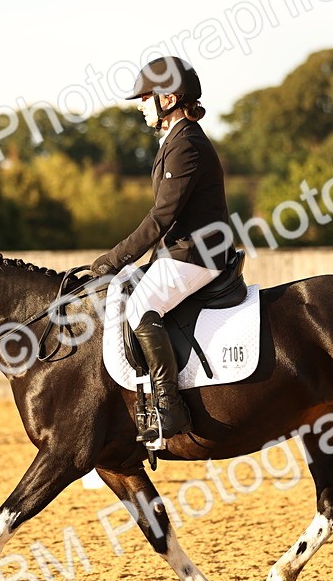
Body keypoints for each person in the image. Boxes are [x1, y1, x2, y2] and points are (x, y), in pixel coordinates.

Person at [92, 56, 235, 441]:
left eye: (145, 98)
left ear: (168, 98)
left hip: (198, 253)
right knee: (124, 294)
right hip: (182, 251)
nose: (140, 106)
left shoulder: (186, 144)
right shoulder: (175, 141)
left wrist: (114, 258)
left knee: (140, 306)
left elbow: (162, 216)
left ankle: (170, 409)